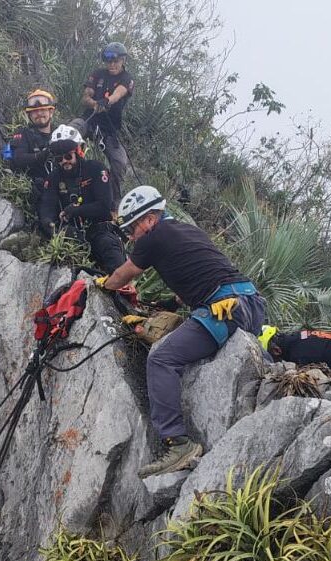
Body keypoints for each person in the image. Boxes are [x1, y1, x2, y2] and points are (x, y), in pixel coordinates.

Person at [96, 186, 266, 478]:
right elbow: (200, 273)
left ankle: (177, 444)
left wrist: (106, 284)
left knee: (162, 358)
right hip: (251, 303)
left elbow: (126, 273)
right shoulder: (188, 231)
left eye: (131, 229)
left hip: (223, 310)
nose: (131, 238)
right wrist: (167, 303)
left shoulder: (155, 236)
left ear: (148, 219)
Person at [39, 124, 127, 274]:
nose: (64, 162)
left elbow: (104, 206)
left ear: (79, 152)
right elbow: (47, 206)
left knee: (112, 255)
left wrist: (75, 210)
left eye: (68, 156)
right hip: (72, 234)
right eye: (59, 158)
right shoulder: (54, 177)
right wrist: (52, 226)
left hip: (100, 230)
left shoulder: (96, 169)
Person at [71, 42, 133, 200]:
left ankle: (113, 200)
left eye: (116, 61)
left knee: (120, 162)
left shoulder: (126, 78)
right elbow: (86, 96)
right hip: (90, 119)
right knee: (71, 131)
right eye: (109, 61)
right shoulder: (97, 74)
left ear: (122, 60)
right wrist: (95, 104)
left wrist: (107, 102)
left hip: (109, 128)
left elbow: (118, 93)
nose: (112, 64)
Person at [3, 89, 57, 218]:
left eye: (43, 110)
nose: (39, 114)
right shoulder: (24, 134)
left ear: (51, 111)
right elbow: (18, 158)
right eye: (34, 112)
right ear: (29, 115)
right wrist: (42, 155)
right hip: (39, 191)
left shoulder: (60, 132)